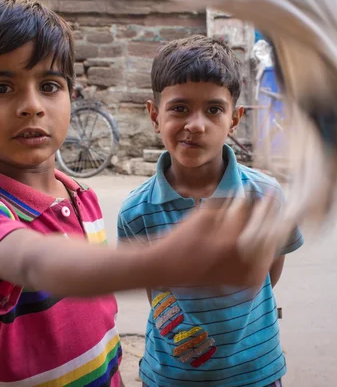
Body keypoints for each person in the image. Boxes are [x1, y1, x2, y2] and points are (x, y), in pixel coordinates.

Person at [0, 0, 274, 387]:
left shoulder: (79, 195)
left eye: (49, 85)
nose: (32, 106)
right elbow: (34, 262)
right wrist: (160, 262)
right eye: (1, 87)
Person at [117, 35, 304, 387]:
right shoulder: (136, 212)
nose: (196, 124)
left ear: (235, 119)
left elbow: (268, 274)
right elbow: (156, 292)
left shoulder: (266, 196)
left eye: (214, 110)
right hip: (171, 376)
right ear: (154, 115)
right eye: (180, 108)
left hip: (256, 372)